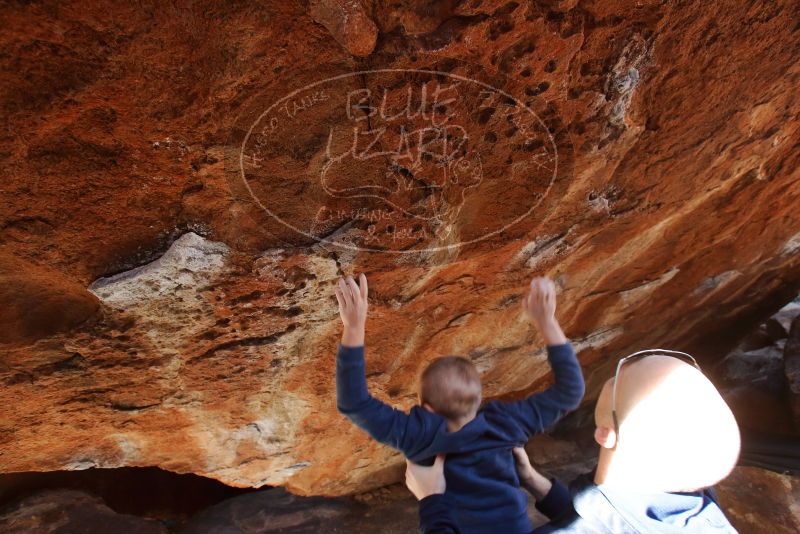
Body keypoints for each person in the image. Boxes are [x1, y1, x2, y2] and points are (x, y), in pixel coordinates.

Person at [335, 274, 585, 533]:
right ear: (478, 400)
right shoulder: (506, 423)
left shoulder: (418, 435)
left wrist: (353, 326)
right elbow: (570, 392)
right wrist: (547, 321)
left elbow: (354, 403)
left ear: (426, 407)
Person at [406, 350, 742, 533]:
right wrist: (536, 484)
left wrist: (431, 502)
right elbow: (606, 519)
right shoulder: (695, 509)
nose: (622, 365)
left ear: (605, 434)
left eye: (619, 377)